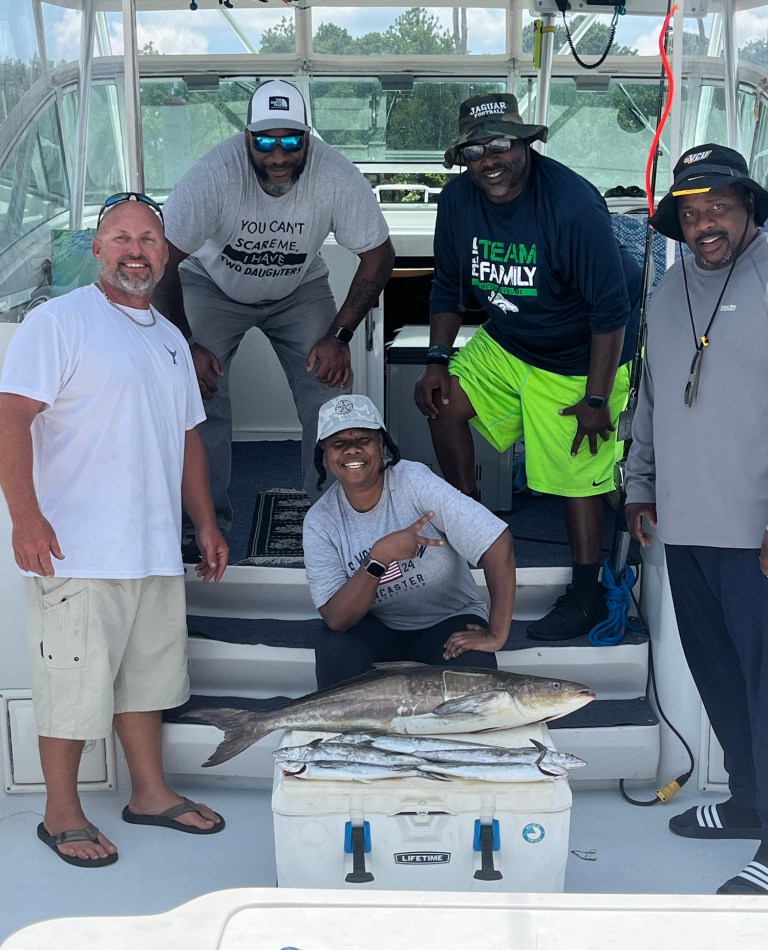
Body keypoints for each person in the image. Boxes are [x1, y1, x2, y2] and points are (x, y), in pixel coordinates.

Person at [0, 193, 229, 868]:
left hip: (151, 548)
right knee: (70, 688)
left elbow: (188, 438)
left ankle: (149, 794)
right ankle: (60, 813)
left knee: (146, 682)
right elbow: (10, 416)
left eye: (149, 239)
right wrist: (25, 516)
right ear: (97, 250)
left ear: (166, 254)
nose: (136, 251)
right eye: (122, 238)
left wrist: (205, 523)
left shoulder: (169, 339)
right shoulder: (58, 321)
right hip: (77, 549)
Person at [414, 93, 641, 642]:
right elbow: (447, 286)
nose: (488, 160)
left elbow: (611, 310)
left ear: (524, 144)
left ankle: (586, 594)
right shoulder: (458, 200)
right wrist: (437, 360)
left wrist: (596, 398)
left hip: (581, 354)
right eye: (473, 151)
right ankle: (471, 528)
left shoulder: (572, 204)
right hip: (509, 340)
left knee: (575, 471)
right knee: (442, 404)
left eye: (499, 145)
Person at [152, 79, 395, 551]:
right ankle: (202, 528)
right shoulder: (214, 174)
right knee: (196, 393)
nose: (279, 155)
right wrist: (186, 344)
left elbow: (379, 256)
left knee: (330, 393)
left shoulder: (336, 174)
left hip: (298, 289)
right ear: (247, 137)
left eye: (292, 141)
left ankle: (338, 522)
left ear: (308, 138)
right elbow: (163, 260)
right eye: (265, 142)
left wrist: (339, 336)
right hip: (212, 285)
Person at [624, 144, 768, 896]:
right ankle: (748, 802)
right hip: (687, 528)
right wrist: (639, 483)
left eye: (719, 207)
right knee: (719, 677)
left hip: (757, 534)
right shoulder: (667, 290)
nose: (705, 223)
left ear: (749, 208)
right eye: (690, 212)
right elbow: (652, 396)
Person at [302, 395, 516, 690]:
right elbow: (337, 618)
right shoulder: (320, 520)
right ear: (324, 456)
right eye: (338, 444)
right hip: (378, 626)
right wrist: (378, 558)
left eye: (363, 439)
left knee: (476, 678)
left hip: (447, 620)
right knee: (334, 651)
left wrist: (497, 633)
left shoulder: (414, 481)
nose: (352, 449)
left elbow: (497, 541)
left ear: (382, 446)